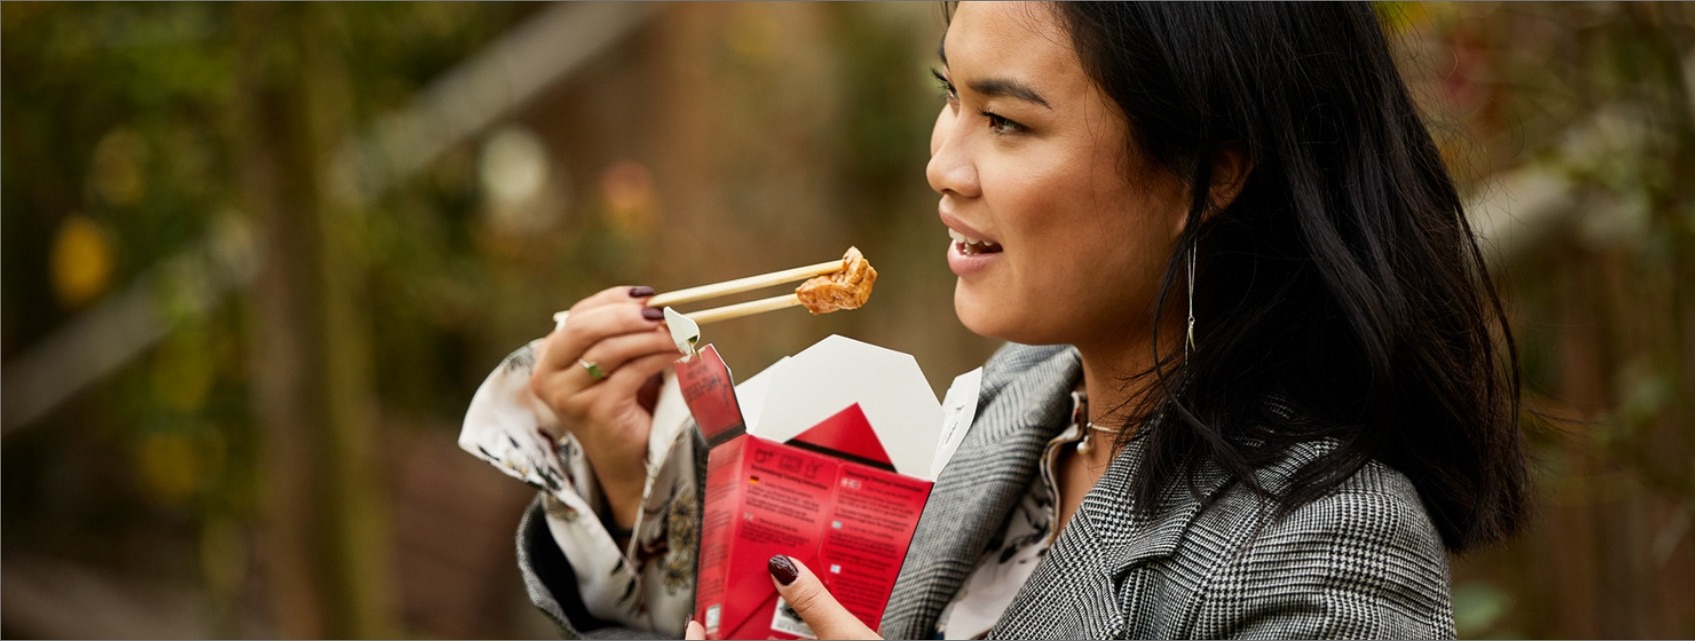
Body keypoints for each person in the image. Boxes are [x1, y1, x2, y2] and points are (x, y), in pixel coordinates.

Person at [460, 2, 1528, 639]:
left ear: (1212, 172)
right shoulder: (1015, 402)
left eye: (1008, 121)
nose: (942, 163)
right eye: (950, 96)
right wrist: (614, 471)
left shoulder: (1326, 543)